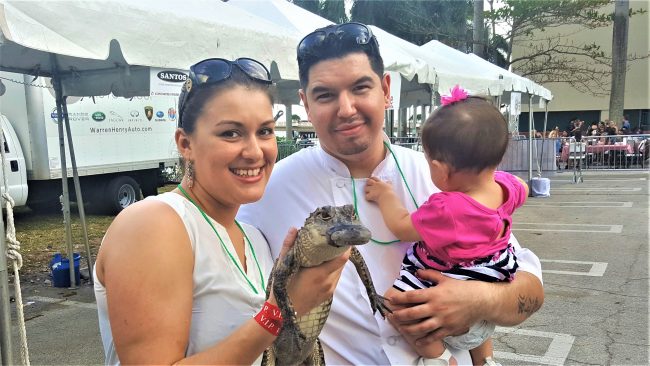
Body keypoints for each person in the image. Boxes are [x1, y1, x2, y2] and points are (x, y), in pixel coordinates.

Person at [238, 22, 544, 366]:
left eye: (360, 87)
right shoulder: (268, 191)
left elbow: (530, 291)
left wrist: (477, 300)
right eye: (325, 95)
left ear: (385, 90)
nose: (346, 108)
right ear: (305, 104)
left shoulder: (444, 176)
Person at [93, 57, 349, 365]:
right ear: (185, 143)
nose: (255, 151)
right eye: (231, 133)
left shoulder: (253, 237)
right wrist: (280, 310)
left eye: (265, 131)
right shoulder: (154, 224)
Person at [365, 87, 528, 366]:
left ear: (440, 170)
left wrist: (385, 196)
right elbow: (524, 187)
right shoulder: (508, 186)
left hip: (450, 281)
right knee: (482, 284)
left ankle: (439, 357)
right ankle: (484, 360)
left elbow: (403, 228)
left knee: (391, 304)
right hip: (492, 278)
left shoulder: (448, 209)